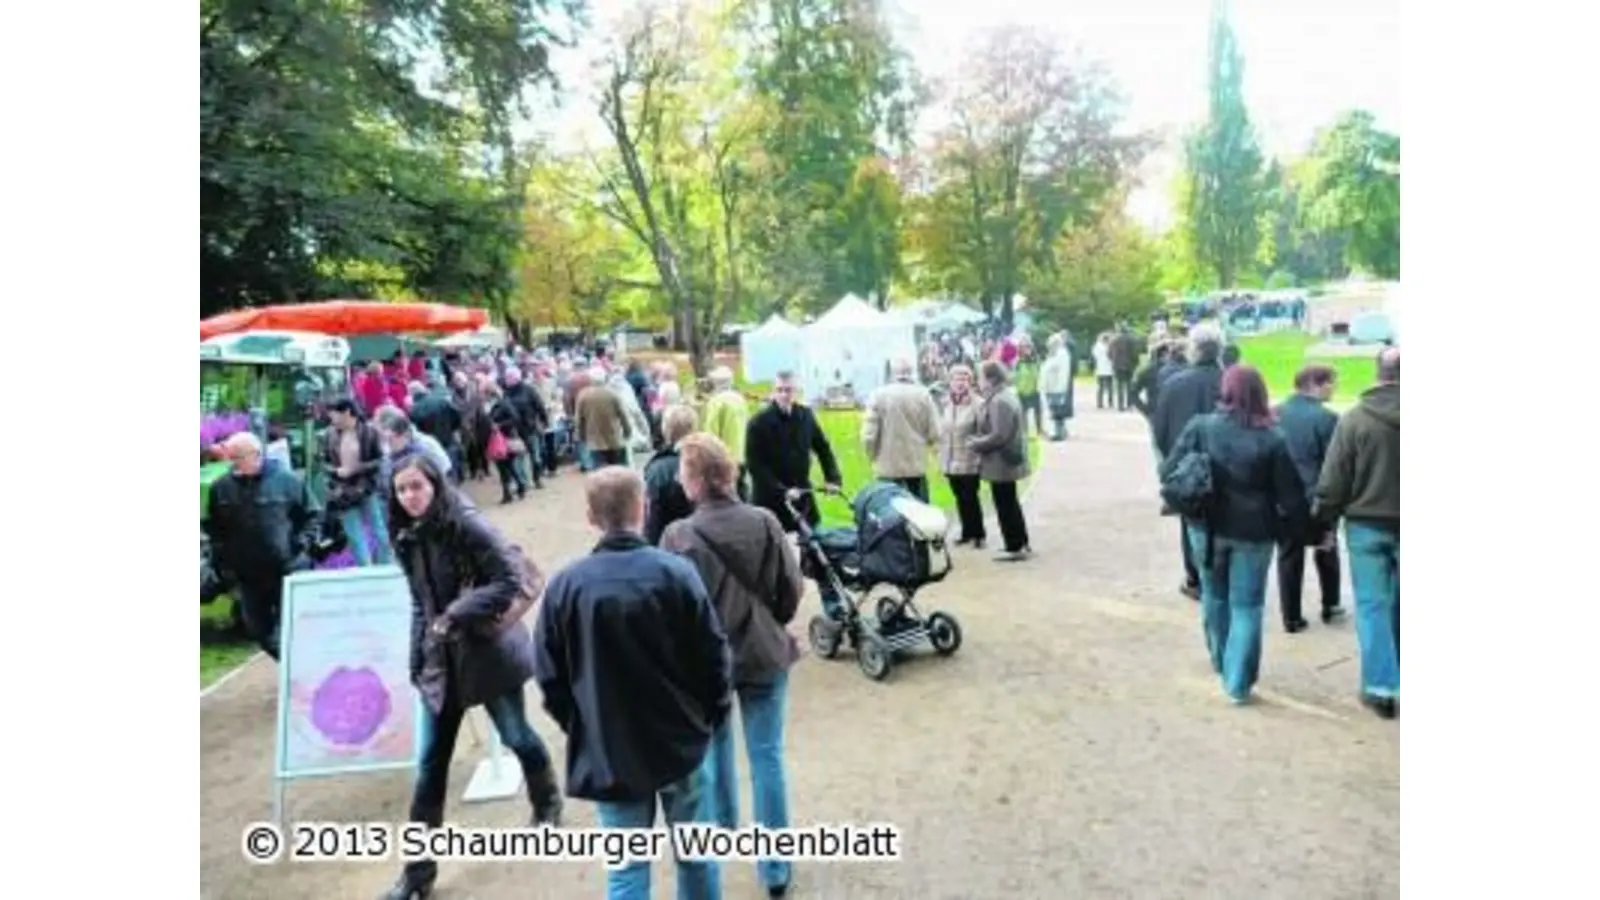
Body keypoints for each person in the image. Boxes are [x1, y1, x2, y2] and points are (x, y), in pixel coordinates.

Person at [533, 467, 732, 900]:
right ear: (643, 509)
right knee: (696, 856)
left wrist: (583, 724)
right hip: (677, 738)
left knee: (626, 869)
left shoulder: (567, 586)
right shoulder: (675, 574)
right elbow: (714, 659)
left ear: (591, 517)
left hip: (611, 745)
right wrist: (708, 717)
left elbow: (550, 676)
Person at [379, 455, 563, 900]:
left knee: (517, 736)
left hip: (486, 653)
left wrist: (459, 611)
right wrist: (416, 658)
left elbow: (510, 578)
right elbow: (419, 601)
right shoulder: (405, 532)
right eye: (401, 490)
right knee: (429, 765)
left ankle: (548, 802)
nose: (410, 497)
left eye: (417, 487)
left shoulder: (466, 524)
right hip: (439, 660)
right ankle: (418, 875)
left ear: (435, 484)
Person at [661, 435, 804, 899]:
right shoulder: (762, 522)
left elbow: (671, 610)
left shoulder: (678, 535)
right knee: (767, 756)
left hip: (708, 663)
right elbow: (790, 589)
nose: (681, 480)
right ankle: (776, 867)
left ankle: (722, 834)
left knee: (717, 752)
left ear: (700, 479)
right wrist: (770, 624)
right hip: (761, 653)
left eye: (685, 472)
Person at [1161, 365, 1308, 705]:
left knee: (1214, 595)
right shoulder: (1273, 437)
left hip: (1207, 527)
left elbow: (1169, 470)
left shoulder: (1201, 427)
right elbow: (1291, 496)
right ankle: (1237, 681)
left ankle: (1220, 658)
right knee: (1247, 605)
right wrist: (1304, 531)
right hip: (1254, 532)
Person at [1315, 348, 1400, 719]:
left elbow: (1333, 481)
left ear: (1377, 372)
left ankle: (1380, 686)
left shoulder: (1353, 421)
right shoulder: (1354, 419)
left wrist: (1326, 524)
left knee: (1371, 605)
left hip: (1366, 524)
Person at [204, 433, 320, 659]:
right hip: (248, 575)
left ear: (256, 455)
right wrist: (223, 563)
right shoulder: (221, 488)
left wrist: (303, 544)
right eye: (231, 457)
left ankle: (298, 673)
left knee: (293, 628)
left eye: (238, 457)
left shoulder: (287, 481)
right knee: (258, 629)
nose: (233, 463)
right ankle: (289, 664)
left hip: (287, 569)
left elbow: (312, 515)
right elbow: (215, 529)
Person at [1152, 324, 1226, 600]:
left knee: (1191, 519)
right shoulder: (1231, 380)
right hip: (1229, 463)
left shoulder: (1174, 384)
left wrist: (1171, 461)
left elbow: (1159, 431)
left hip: (1186, 466)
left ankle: (1195, 577)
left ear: (1193, 350)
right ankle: (1219, 574)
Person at [1274, 364, 1344, 633]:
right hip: (1317, 496)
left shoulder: (1276, 413)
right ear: (1316, 384)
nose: (1334, 388)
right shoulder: (1327, 419)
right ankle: (1330, 603)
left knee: (1289, 555)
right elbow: (1334, 465)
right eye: (1331, 383)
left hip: (1284, 498)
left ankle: (1291, 616)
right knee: (1326, 549)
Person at [745, 370, 841, 534]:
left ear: (796, 392)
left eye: (788, 390)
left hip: (801, 493)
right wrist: (782, 491)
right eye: (779, 390)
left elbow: (822, 447)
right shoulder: (758, 423)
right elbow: (755, 465)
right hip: (769, 499)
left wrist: (832, 478)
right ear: (773, 392)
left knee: (813, 543)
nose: (784, 395)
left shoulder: (806, 416)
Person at [968, 360, 1032, 562]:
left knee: (1005, 503)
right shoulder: (1003, 396)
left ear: (990, 378)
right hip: (1005, 460)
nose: (978, 380)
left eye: (980, 376)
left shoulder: (999, 401)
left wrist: (975, 443)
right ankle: (1020, 541)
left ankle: (1014, 545)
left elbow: (999, 435)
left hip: (1002, 462)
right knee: (1009, 501)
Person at [321, 398, 393, 565]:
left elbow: (380, 460)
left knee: (380, 532)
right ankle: (365, 572)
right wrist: (336, 471)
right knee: (355, 536)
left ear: (346, 413)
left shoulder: (369, 432)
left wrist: (357, 468)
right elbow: (324, 463)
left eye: (334, 416)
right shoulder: (329, 434)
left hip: (367, 489)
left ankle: (385, 568)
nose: (331, 420)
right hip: (342, 492)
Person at [860, 358, 939, 501]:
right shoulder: (923, 395)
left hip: (887, 467)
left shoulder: (878, 395)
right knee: (920, 513)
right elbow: (934, 432)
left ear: (893, 372)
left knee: (891, 514)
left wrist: (872, 456)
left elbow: (868, 435)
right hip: (916, 465)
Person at [938, 364, 986, 547]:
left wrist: (978, 454)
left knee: (970, 497)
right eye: (956, 379)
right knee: (959, 497)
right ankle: (967, 532)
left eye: (964, 379)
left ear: (970, 382)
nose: (960, 383)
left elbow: (984, 433)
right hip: (950, 460)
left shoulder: (978, 404)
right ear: (950, 382)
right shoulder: (946, 403)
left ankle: (979, 534)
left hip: (970, 460)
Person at [643, 405, 700, 544]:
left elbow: (652, 520)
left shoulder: (658, 469)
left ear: (665, 430)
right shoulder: (710, 458)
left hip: (672, 544)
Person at [374, 406, 453, 498]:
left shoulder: (425, 449)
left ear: (403, 434)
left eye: (388, 439)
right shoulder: (397, 448)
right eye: (381, 439)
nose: (384, 445)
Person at [702, 366, 751, 499]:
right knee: (741, 492)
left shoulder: (716, 402)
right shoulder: (740, 399)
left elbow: (711, 433)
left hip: (724, 457)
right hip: (741, 454)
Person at [575, 368, 632, 468]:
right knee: (618, 470)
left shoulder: (583, 395)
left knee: (599, 472)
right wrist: (627, 431)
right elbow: (623, 415)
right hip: (614, 438)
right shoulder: (612, 394)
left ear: (591, 379)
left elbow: (579, 419)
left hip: (594, 440)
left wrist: (580, 435)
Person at [408, 381, 463, 484]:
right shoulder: (442, 401)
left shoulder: (414, 410)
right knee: (451, 469)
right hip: (448, 440)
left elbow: (415, 433)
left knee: (438, 475)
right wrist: (452, 429)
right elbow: (457, 416)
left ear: (412, 394)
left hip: (430, 447)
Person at [502, 368, 548, 490]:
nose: (506, 380)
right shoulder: (506, 393)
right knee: (518, 457)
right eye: (506, 377)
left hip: (530, 427)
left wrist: (544, 421)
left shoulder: (529, 390)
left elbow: (539, 406)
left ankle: (537, 479)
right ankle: (522, 482)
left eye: (509, 377)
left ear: (516, 378)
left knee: (535, 456)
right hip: (514, 430)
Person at [484, 383, 530, 504]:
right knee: (507, 466)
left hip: (505, 439)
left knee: (504, 467)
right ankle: (518, 486)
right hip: (502, 439)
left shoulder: (502, 404)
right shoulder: (497, 405)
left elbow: (515, 418)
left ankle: (509, 492)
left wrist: (499, 425)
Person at [1038, 333, 1075, 441]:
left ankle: (1059, 433)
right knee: (1055, 409)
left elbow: (1061, 371)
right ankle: (1061, 431)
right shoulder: (1055, 353)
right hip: (1052, 386)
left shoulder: (1061, 354)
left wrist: (1060, 387)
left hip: (1056, 386)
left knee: (1057, 410)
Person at [1130, 342, 1172, 419]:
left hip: (1154, 409)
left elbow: (1133, 392)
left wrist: (1145, 410)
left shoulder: (1146, 370)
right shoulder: (1177, 370)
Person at [1012, 339, 1043, 438]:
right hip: (1022, 392)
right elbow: (1014, 377)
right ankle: (1024, 433)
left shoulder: (1036, 360)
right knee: (1022, 415)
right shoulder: (1018, 362)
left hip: (1034, 391)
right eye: (1024, 347)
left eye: (1028, 347)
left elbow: (1040, 373)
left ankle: (1039, 432)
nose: (1026, 349)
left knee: (1038, 413)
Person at [1109, 324, 1141, 411]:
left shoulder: (1114, 341)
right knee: (1129, 386)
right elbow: (1135, 353)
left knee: (1120, 386)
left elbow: (1109, 353)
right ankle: (1129, 404)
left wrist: (1113, 361)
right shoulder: (1132, 340)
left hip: (1117, 365)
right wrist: (1136, 363)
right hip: (1129, 365)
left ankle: (1120, 405)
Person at [1092, 334, 1115, 409]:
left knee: (1100, 387)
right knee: (1110, 387)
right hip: (1108, 369)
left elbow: (1095, 356)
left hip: (1100, 369)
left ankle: (1099, 403)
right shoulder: (1110, 347)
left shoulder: (1096, 347)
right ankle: (1110, 402)